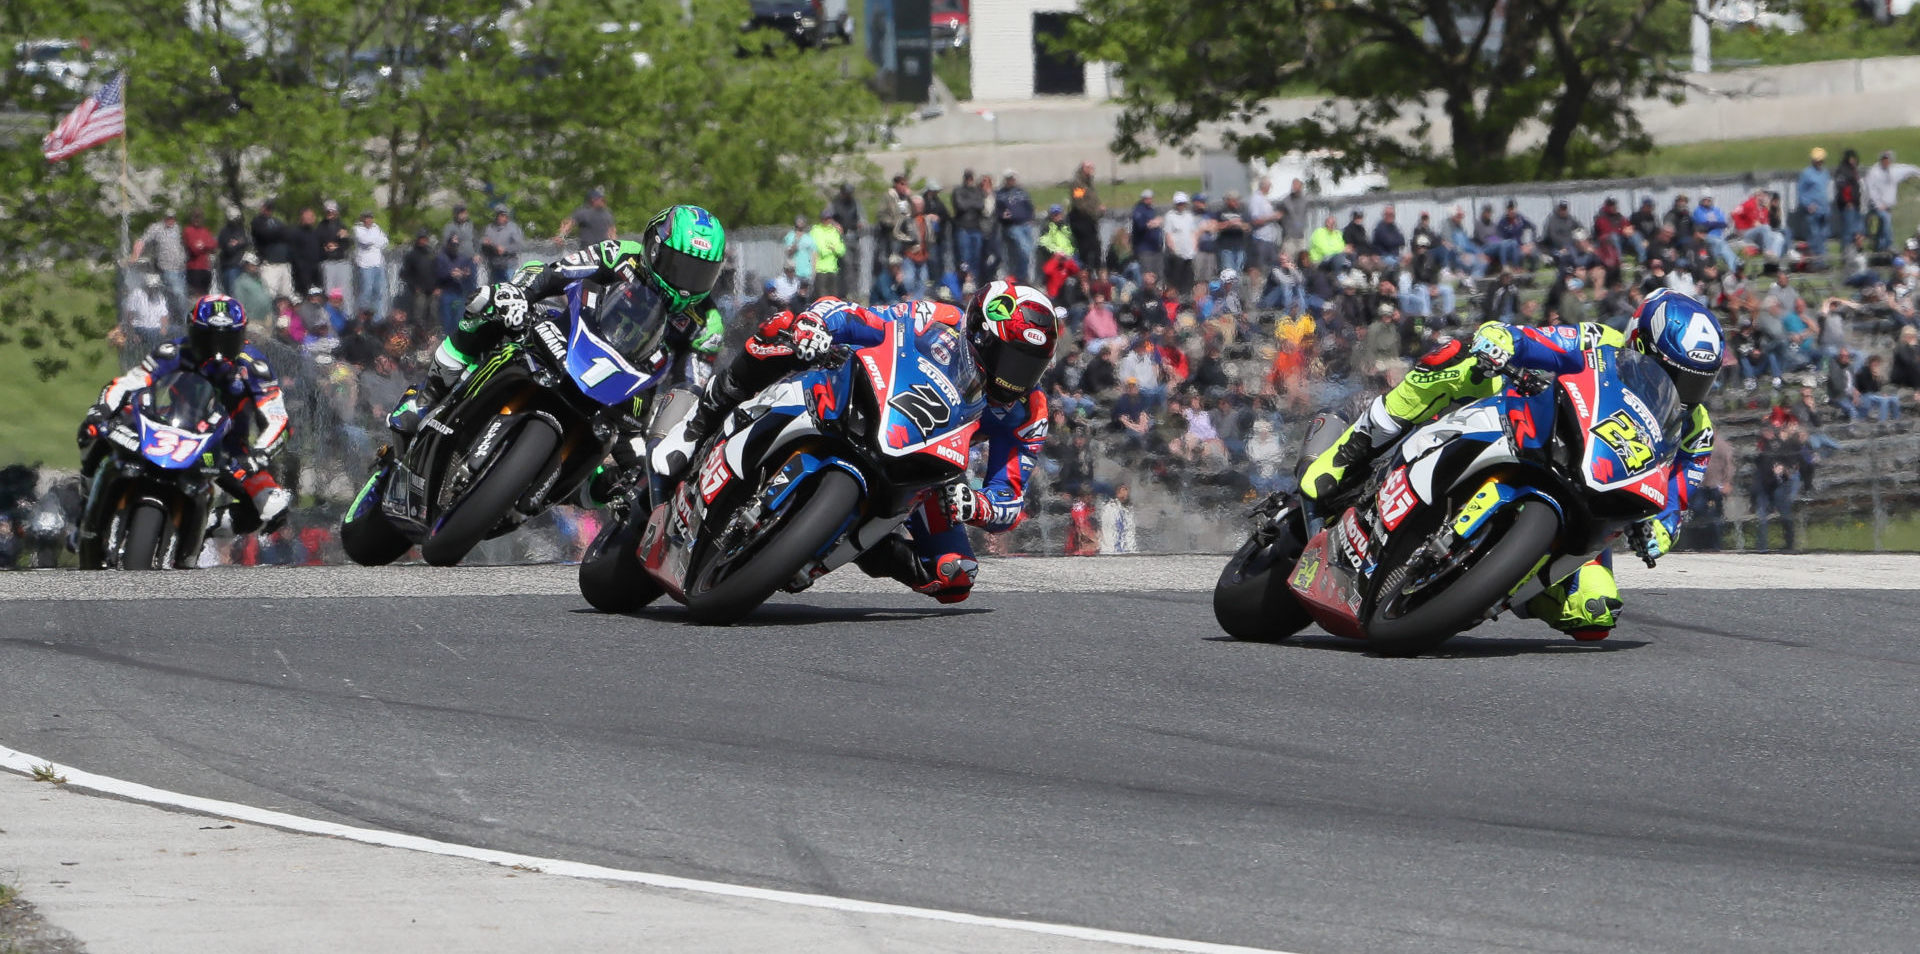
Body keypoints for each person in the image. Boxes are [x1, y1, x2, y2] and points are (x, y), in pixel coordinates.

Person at [1298, 287, 1722, 641]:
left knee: (1594, 613)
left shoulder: (1695, 427)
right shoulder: (1601, 343)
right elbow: (1545, 344)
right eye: (1678, 375)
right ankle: (1353, 448)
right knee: (1456, 359)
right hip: (1534, 423)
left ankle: (1497, 582)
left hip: (1593, 495)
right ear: (1642, 346)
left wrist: (1660, 530)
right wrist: (1508, 341)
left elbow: (1677, 493)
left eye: (1699, 382)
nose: (1686, 390)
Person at [650, 280, 1060, 604]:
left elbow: (1010, 497)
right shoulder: (936, 318)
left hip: (930, 460)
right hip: (865, 394)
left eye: (1032, 367)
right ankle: (699, 422)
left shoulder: (1028, 411)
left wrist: (976, 504)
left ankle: (828, 546)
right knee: (781, 331)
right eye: (1014, 360)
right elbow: (855, 315)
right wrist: (817, 325)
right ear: (982, 335)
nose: (1019, 378)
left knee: (954, 575)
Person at [387, 206, 730, 498]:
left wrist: (663, 440)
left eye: (700, 273)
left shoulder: (706, 323)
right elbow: (559, 272)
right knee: (489, 302)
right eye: (680, 266)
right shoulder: (622, 253)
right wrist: (522, 294)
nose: (686, 283)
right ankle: (429, 394)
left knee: (636, 477)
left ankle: (572, 492)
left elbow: (691, 387)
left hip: (628, 391)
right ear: (655, 247)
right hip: (571, 333)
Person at [82, 294, 292, 535]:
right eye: (208, 338)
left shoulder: (255, 367)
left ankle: (200, 529)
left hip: (222, 450)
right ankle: (86, 496)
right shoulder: (173, 351)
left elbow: (279, 419)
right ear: (192, 331)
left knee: (272, 508)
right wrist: (103, 409)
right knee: (92, 429)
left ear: (241, 336)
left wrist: (261, 453)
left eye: (227, 340)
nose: (217, 350)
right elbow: (128, 383)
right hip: (164, 426)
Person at [1798, 148, 1833, 263]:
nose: (1820, 162)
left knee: (1823, 236)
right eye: (1817, 160)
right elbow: (1800, 192)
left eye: (1821, 160)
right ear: (1813, 160)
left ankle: (1823, 261)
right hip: (1812, 211)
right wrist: (1808, 205)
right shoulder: (1806, 173)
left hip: (1824, 210)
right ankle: (1816, 263)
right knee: (1814, 236)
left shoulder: (1825, 173)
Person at [353, 211, 390, 315]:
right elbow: (365, 241)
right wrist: (376, 240)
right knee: (366, 291)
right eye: (366, 218)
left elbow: (385, 242)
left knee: (378, 292)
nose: (368, 220)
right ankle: (363, 316)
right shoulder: (357, 229)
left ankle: (376, 318)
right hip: (365, 265)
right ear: (362, 219)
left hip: (378, 263)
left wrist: (375, 241)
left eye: (370, 218)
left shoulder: (376, 227)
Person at [480, 206, 526, 284]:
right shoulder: (489, 228)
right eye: (501, 215)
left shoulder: (513, 228)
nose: (504, 218)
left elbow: (520, 246)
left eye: (505, 215)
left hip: (509, 267)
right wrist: (485, 244)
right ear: (497, 216)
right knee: (495, 291)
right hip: (494, 267)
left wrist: (505, 249)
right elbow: (482, 245)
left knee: (510, 289)